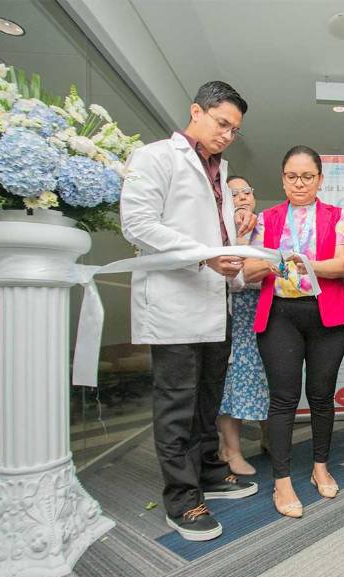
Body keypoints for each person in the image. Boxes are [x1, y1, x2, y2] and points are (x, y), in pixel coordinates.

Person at [120, 81, 258, 542]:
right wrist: (204, 254)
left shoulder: (221, 170)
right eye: (222, 123)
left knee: (206, 398)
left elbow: (214, 235)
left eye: (235, 130)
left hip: (212, 301)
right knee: (177, 402)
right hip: (173, 303)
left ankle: (208, 473)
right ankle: (181, 499)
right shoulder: (155, 157)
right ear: (195, 111)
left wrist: (232, 254)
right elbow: (137, 224)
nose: (227, 135)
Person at [244, 145, 344, 518]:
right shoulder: (267, 219)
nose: (300, 183)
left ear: (320, 180)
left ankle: (320, 466)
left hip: (327, 317)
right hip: (280, 316)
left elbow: (341, 266)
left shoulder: (337, 216)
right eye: (292, 176)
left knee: (322, 396)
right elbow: (248, 270)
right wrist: (271, 266)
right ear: (282, 178)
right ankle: (283, 480)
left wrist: (304, 264)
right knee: (283, 399)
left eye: (308, 176)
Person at [218, 175, 271, 476]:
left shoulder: (267, 224)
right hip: (233, 315)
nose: (241, 197)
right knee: (232, 382)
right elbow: (232, 279)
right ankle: (231, 450)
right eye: (232, 192)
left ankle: (269, 438)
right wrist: (239, 243)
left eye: (245, 191)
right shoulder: (219, 229)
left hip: (265, 312)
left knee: (268, 377)